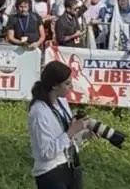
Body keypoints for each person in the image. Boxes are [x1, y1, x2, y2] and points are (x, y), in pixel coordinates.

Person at [28, 60, 91, 189]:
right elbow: (46, 153)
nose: (71, 87)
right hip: (51, 173)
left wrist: (84, 134)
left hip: (72, 166)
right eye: (67, 84)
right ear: (54, 86)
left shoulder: (62, 102)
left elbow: (67, 139)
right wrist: (70, 133)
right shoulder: (39, 111)